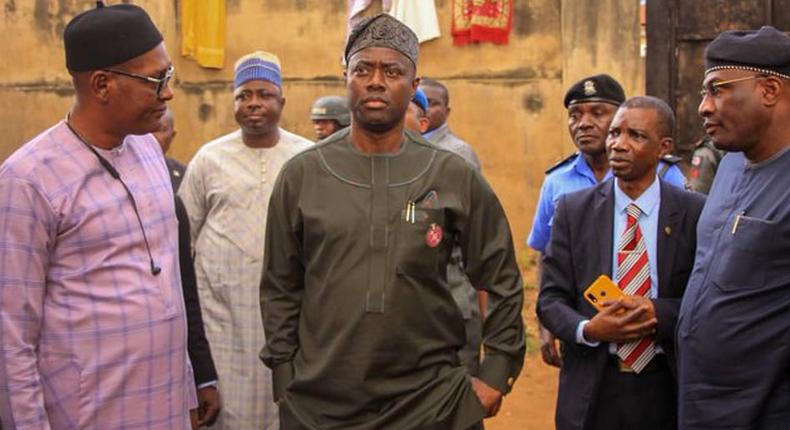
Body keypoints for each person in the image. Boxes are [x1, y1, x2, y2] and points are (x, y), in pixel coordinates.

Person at [259, 14, 525, 430]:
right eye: (362, 69)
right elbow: (280, 285)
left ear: (414, 85)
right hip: (321, 402)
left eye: (392, 70)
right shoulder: (302, 174)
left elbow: (501, 277)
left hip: (432, 401)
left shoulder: (452, 174)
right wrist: (284, 376)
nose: (376, 81)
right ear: (345, 77)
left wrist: (498, 371)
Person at [0, 3, 196, 428]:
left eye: (169, 77)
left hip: (164, 411)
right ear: (102, 84)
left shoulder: (147, 149)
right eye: (155, 80)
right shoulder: (28, 181)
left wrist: (188, 390)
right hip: (86, 414)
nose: (168, 93)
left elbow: (168, 285)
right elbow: (11, 335)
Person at [537, 96, 705, 430]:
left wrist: (657, 312)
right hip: (594, 386)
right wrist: (588, 329)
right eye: (614, 133)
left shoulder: (694, 212)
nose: (618, 144)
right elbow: (550, 300)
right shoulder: (574, 211)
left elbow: (704, 300)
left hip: (666, 383)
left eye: (636, 136)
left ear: (663, 147)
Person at [178, 50, 312, 430]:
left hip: (289, 314)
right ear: (233, 102)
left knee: (285, 405)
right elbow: (183, 236)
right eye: (244, 96)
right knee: (226, 408)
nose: (253, 104)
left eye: (264, 95)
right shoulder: (209, 159)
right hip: (221, 316)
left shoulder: (305, 157)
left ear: (281, 101)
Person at [529, 74, 688, 368]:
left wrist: (658, 311)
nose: (584, 123)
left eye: (598, 113)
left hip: (664, 353)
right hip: (591, 349)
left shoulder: (671, 181)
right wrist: (557, 325)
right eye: (575, 115)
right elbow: (546, 258)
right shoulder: (559, 185)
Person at [677, 26, 790, 430]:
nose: (703, 107)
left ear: (770, 90)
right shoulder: (728, 166)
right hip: (703, 405)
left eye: (718, 89)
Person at [152, 110, 222, 428]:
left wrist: (203, 376)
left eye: (160, 131)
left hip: (169, 369)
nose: (151, 141)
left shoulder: (175, 194)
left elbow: (186, 293)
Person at [420, 77, 481, 168]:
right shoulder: (399, 144)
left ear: (447, 112)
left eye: (431, 103)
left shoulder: (458, 151)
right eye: (418, 103)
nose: (424, 109)